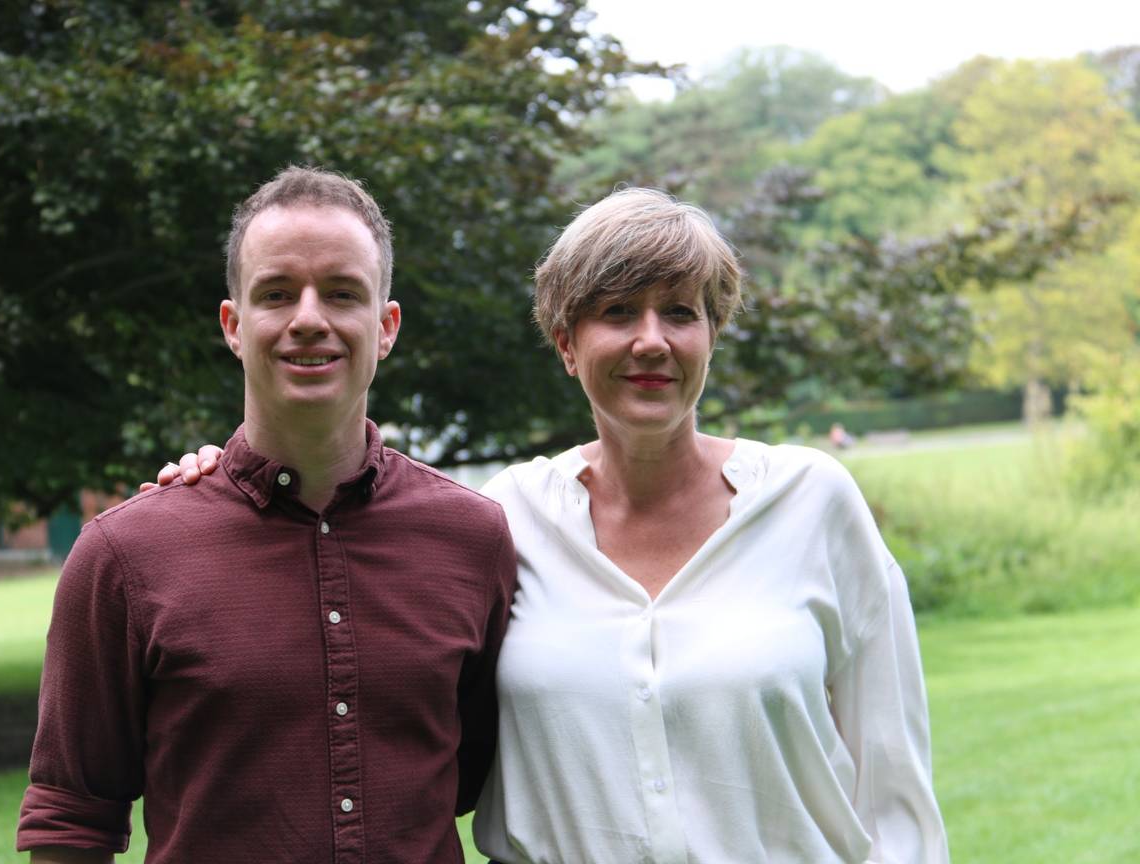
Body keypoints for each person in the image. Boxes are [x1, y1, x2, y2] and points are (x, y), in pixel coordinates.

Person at [159, 188, 949, 862]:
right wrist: (220, 482)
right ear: (567, 343)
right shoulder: (503, 519)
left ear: (711, 335)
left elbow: (894, 783)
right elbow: (342, 519)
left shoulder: (813, 502)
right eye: (615, 313)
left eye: (680, 312)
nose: (651, 340)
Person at [17, 166, 517, 864]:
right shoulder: (124, 555)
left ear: (386, 327)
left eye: (342, 293)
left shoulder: (473, 539)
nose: (308, 320)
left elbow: (470, 773)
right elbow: (72, 819)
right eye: (277, 293)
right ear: (233, 324)